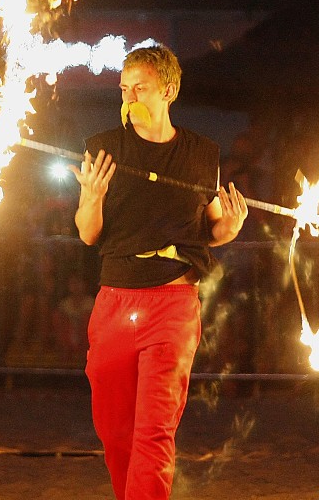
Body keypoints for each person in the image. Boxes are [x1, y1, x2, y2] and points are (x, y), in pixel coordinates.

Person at [69, 44, 248, 499]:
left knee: (154, 431)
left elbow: (211, 230)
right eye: (124, 89)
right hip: (115, 301)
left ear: (168, 90)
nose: (129, 98)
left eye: (140, 88)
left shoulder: (201, 154)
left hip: (172, 303)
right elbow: (89, 234)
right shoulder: (103, 147)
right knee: (115, 432)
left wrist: (228, 226)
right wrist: (91, 198)